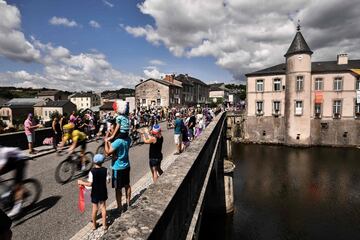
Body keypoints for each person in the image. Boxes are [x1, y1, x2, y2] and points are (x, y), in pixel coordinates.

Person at [78, 154, 110, 230]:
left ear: (94, 162)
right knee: (103, 208)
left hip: (95, 192)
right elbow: (108, 181)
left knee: (95, 209)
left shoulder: (92, 171)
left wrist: (81, 182)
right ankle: (104, 225)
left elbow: (90, 184)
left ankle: (94, 226)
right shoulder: (106, 170)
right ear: (102, 162)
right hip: (103, 191)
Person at [104, 133, 131, 212]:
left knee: (118, 188)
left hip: (118, 167)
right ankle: (128, 203)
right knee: (127, 185)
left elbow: (108, 152)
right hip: (126, 165)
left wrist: (106, 141)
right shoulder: (128, 139)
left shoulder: (118, 141)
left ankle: (119, 208)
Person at [0, 147, 26, 217]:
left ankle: (17, 207)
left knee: (17, 185)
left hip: (20, 160)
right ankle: (7, 190)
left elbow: (2, 166)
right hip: (10, 161)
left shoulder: (2, 152)